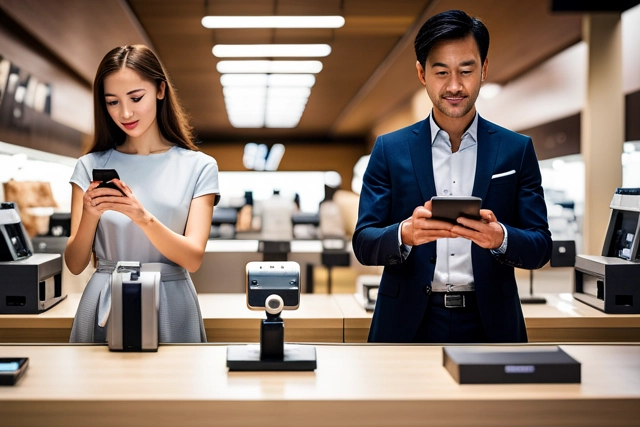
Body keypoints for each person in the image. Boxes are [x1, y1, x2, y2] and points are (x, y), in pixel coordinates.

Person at [352, 10, 552, 343]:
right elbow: (364, 242)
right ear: (422, 73)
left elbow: (541, 245)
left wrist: (499, 238)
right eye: (441, 72)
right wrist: (405, 233)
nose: (455, 86)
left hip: (490, 321)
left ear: (484, 69)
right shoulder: (389, 149)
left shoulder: (516, 150)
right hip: (407, 321)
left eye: (466, 70)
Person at [65, 45, 219, 343]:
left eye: (136, 98)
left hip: (172, 301)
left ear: (160, 90)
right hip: (103, 301)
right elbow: (74, 263)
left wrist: (141, 216)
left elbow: (193, 258)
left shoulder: (199, 166)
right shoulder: (89, 166)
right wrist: (90, 215)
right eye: (112, 102)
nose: (125, 112)